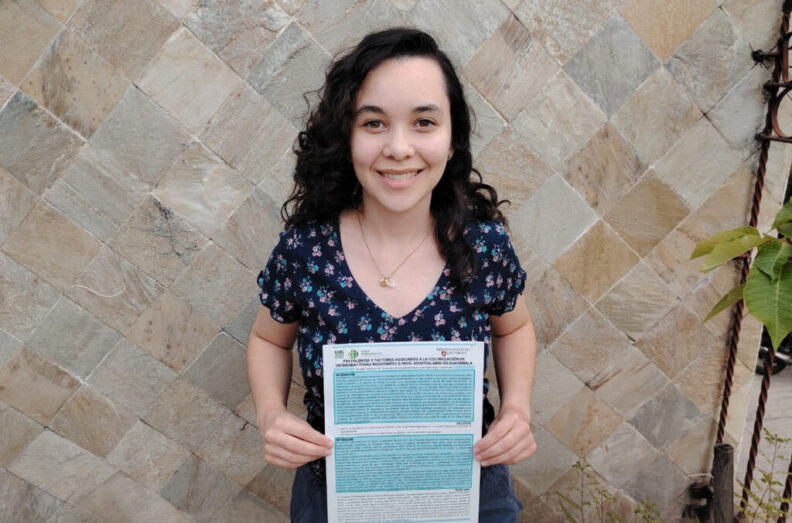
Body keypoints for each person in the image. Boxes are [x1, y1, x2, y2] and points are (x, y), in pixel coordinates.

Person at [246, 27, 537, 523]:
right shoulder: (306, 250)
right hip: (336, 494)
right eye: (374, 123)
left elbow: (515, 327)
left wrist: (517, 408)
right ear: (346, 137)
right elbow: (268, 338)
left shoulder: (483, 245)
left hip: (469, 490)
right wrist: (272, 413)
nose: (399, 148)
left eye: (424, 122)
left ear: (451, 140)